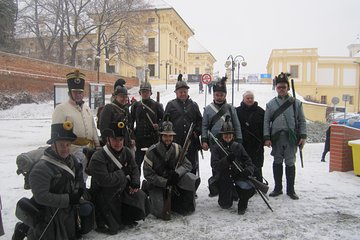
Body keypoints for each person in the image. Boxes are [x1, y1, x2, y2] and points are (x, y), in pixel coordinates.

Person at [13, 122, 91, 240]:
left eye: (68, 145)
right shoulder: (41, 168)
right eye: (61, 145)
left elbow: (78, 177)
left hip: (67, 209)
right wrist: (69, 199)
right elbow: (41, 196)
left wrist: (79, 189)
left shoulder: (72, 160)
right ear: (53, 145)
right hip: (48, 212)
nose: (65, 149)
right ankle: (24, 228)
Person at [88, 121, 149, 235]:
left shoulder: (126, 151)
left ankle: (127, 217)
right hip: (105, 194)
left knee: (140, 195)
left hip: (122, 188)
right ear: (108, 140)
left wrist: (135, 182)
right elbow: (105, 180)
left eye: (120, 139)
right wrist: (123, 173)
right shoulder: (98, 157)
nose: (118, 143)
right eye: (114, 139)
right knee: (113, 228)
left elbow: (134, 168)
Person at [142, 119, 200, 220]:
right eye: (165, 135)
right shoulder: (151, 151)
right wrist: (165, 182)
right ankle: (148, 189)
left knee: (190, 178)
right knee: (159, 212)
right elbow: (148, 174)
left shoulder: (178, 148)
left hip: (173, 182)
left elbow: (188, 165)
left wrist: (177, 174)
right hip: (157, 184)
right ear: (160, 136)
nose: (168, 138)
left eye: (170, 136)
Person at [263, 72, 307, 200]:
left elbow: (302, 121)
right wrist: (266, 137)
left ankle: (291, 190)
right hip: (276, 138)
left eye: (284, 87)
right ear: (276, 88)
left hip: (291, 138)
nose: (281, 89)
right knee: (277, 162)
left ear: (288, 87)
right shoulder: (270, 104)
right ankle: (278, 188)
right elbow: (266, 121)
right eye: (279, 87)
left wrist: (303, 136)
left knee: (290, 163)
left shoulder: (296, 103)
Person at [52, 70, 100, 181]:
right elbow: (56, 135)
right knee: (72, 180)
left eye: (80, 92)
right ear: (69, 93)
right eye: (75, 92)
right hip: (71, 151)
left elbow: (93, 128)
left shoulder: (87, 108)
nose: (78, 95)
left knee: (83, 179)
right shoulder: (61, 109)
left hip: (88, 151)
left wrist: (97, 146)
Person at [201, 76, 242, 197]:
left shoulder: (230, 108)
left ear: (225, 95)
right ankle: (216, 186)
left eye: (221, 95)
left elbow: (237, 124)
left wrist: (239, 140)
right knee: (216, 164)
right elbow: (204, 126)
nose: (219, 97)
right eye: (217, 95)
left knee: (232, 165)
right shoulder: (208, 109)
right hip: (214, 142)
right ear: (214, 95)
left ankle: (231, 188)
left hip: (230, 141)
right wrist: (204, 140)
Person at [212, 116, 255, 214]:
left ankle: (242, 203)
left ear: (233, 136)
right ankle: (232, 194)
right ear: (222, 136)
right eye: (225, 136)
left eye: (230, 136)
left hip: (237, 176)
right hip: (224, 178)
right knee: (225, 205)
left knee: (249, 188)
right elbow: (214, 165)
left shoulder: (238, 146)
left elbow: (249, 162)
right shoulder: (216, 148)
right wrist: (226, 160)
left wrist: (248, 170)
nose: (227, 138)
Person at [164, 74, 202, 176]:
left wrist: (197, 131)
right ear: (176, 93)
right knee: (176, 163)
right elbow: (165, 122)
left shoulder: (193, 105)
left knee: (191, 164)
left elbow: (200, 121)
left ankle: (191, 189)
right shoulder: (170, 105)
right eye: (180, 92)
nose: (183, 94)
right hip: (175, 141)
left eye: (185, 91)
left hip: (191, 141)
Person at [130, 82, 164, 173]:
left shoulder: (157, 105)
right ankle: (136, 185)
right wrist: (132, 137)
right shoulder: (135, 106)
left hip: (153, 139)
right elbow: (131, 122)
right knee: (137, 165)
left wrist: (159, 125)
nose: (145, 93)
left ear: (150, 93)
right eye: (143, 91)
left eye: (147, 91)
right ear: (140, 93)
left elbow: (164, 120)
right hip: (139, 139)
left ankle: (152, 186)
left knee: (154, 164)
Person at [99, 79, 135, 154]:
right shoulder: (109, 108)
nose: (124, 99)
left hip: (126, 144)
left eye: (126, 97)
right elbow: (103, 128)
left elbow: (129, 127)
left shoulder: (125, 109)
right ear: (115, 96)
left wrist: (132, 138)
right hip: (114, 145)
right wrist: (108, 144)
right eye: (122, 96)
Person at [236, 90, 265, 183]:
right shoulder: (237, 111)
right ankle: (244, 184)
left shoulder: (260, 111)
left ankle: (258, 183)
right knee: (243, 163)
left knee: (257, 164)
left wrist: (265, 139)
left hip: (257, 143)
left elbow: (265, 126)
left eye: (251, 98)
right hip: (243, 143)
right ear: (243, 99)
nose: (249, 100)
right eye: (247, 98)